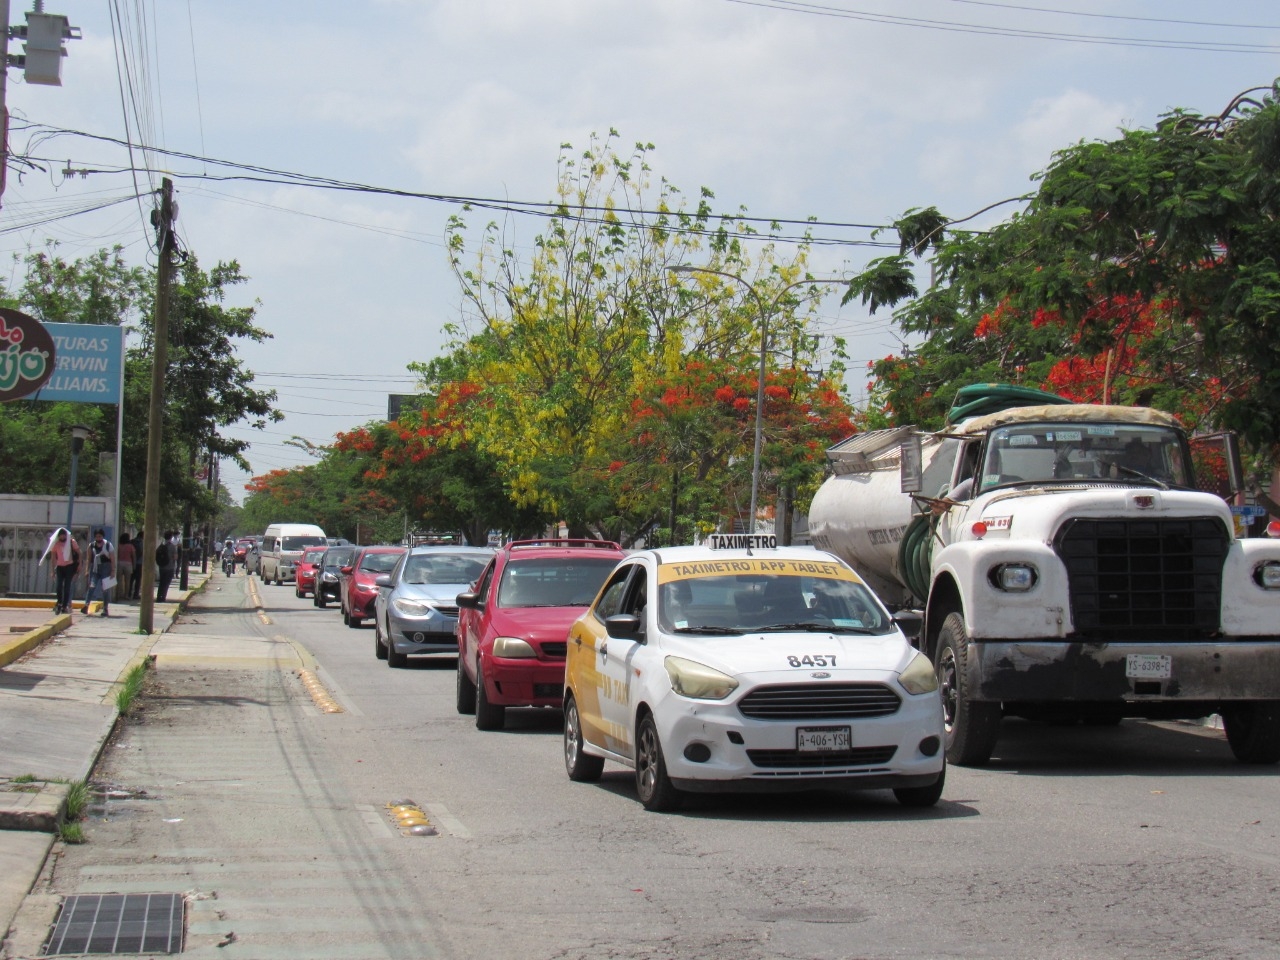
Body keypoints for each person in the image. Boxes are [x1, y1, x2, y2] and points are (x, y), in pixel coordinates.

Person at [45, 527, 81, 615]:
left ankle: (65, 605)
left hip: (69, 566)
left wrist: (80, 564)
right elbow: (53, 557)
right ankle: (59, 603)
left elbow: (79, 552)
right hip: (60, 567)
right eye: (60, 535)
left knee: (67, 586)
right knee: (58, 586)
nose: (62, 537)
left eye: (63, 535)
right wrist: (52, 570)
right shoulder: (56, 544)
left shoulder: (71, 542)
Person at [82, 528, 114, 617]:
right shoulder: (91, 545)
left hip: (106, 567)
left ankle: (105, 608)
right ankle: (86, 605)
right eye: (96, 537)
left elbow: (112, 559)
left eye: (100, 536)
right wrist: (87, 570)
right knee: (92, 586)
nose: (98, 538)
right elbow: (89, 559)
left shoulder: (108, 545)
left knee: (105, 589)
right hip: (95, 568)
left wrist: (113, 571)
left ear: (102, 536)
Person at [116, 533, 136, 604]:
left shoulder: (118, 546)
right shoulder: (131, 546)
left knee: (118, 580)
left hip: (119, 563)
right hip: (128, 564)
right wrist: (134, 565)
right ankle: (126, 595)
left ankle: (118, 594)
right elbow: (133, 556)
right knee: (127, 581)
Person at [156, 531, 175, 602]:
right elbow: (175, 557)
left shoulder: (161, 545)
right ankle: (163, 597)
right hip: (169, 567)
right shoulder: (172, 546)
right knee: (166, 583)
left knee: (161, 582)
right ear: (171, 537)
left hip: (161, 567)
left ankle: (158, 597)